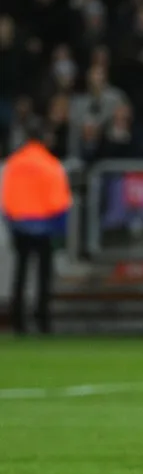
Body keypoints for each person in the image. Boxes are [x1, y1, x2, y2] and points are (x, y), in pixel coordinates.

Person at [1, 118, 72, 334]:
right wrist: (60, 230)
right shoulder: (50, 164)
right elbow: (60, 201)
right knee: (43, 276)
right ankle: (43, 320)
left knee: (20, 274)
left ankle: (18, 321)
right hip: (45, 227)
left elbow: (6, 198)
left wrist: (13, 222)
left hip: (20, 225)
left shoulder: (14, 164)